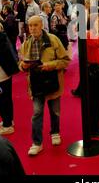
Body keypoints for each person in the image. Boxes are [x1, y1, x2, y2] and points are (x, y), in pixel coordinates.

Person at [19, 16, 70, 156]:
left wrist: (50, 65)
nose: (32, 28)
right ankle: (37, 143)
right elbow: (21, 63)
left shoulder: (53, 40)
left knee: (55, 110)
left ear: (41, 25)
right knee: (36, 113)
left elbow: (65, 60)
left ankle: (55, 132)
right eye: (30, 26)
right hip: (35, 84)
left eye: (35, 25)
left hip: (52, 80)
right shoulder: (26, 43)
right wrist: (23, 66)